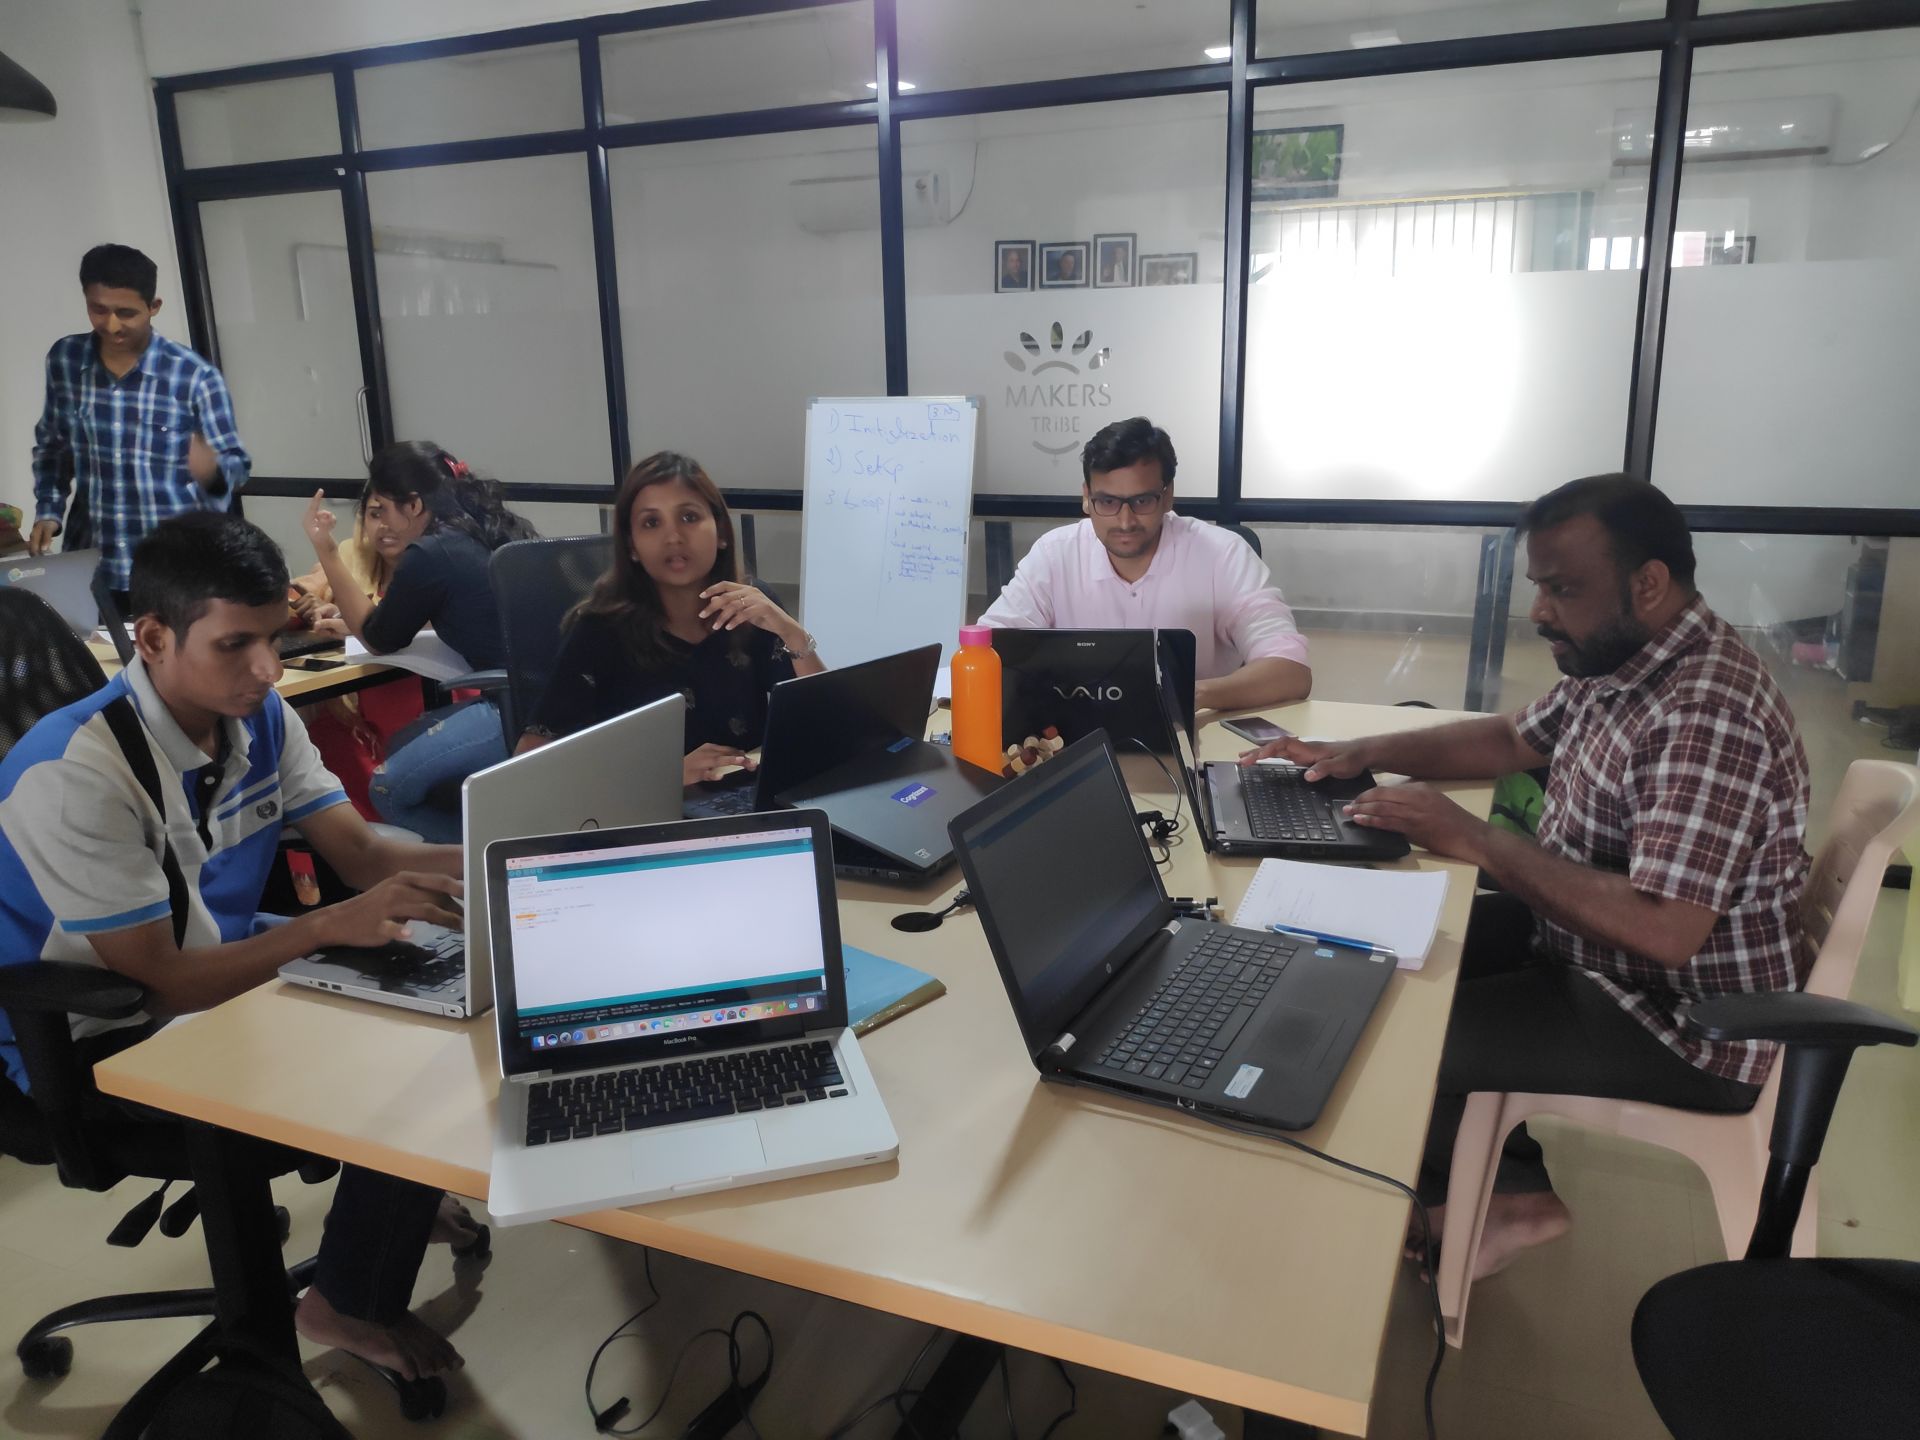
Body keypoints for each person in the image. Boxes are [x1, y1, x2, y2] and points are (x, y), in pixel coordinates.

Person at [1242, 474, 1810, 1279]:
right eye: (1539, 586)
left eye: (1563, 589)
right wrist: (1362, 752)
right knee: (1372, 957)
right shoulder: (1623, 659)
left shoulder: (1704, 710)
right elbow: (1512, 739)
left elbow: (1665, 929)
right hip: (1594, 956)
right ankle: (1505, 1185)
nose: (1540, 610)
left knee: (1393, 1035)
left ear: (1648, 583)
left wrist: (1472, 836)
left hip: (1677, 1019)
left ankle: (1497, 1201)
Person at [0, 512, 479, 1380]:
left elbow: (363, 855)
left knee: (440, 991)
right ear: (153, 638)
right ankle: (347, 1296)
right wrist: (324, 926)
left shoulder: (257, 717)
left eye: (274, 639)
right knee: (404, 1058)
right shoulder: (76, 773)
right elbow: (160, 983)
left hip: (215, 965)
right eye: (235, 645)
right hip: (95, 1032)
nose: (268, 669)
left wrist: (510, 853)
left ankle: (390, 1197)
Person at [519, 451, 822, 786]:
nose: (674, 537)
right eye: (652, 523)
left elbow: (826, 721)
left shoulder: (748, 607)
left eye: (689, 517)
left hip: (750, 798)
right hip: (647, 807)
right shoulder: (600, 630)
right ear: (632, 546)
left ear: (721, 532)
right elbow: (530, 764)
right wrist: (666, 776)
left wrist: (792, 633)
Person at [979, 416, 1310, 711]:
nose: (1125, 521)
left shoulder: (1223, 554)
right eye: (1107, 501)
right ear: (1086, 497)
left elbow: (1290, 670)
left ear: (1167, 496)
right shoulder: (1054, 554)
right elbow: (983, 651)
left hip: (1191, 739)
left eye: (1141, 500)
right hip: (1073, 739)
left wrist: (1190, 695)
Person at [301, 441, 535, 841]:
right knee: (405, 741)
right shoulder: (481, 530)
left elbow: (378, 637)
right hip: (548, 698)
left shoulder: (430, 552)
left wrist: (327, 550)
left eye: (384, 510)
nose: (380, 526)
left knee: (387, 789)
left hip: (515, 708)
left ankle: (480, 861)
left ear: (413, 505)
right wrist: (352, 622)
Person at [30, 244, 251, 603]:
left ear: (153, 307)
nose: (111, 325)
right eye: (98, 309)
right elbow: (53, 446)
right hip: (93, 566)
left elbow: (236, 464)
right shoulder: (65, 359)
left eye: (126, 313)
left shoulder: (194, 376)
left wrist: (212, 471)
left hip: (173, 571)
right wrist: (49, 511)